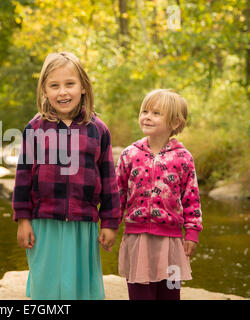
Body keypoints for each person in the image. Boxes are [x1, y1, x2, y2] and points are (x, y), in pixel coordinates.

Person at [12, 52, 121, 300]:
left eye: (69, 84)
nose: (63, 92)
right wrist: (23, 219)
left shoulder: (98, 129)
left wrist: (111, 222)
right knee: (47, 285)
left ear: (83, 87)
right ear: (45, 91)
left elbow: (109, 180)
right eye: (54, 86)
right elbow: (23, 177)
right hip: (44, 221)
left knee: (80, 287)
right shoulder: (35, 128)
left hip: (84, 222)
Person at [116, 89, 203, 300]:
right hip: (137, 240)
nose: (147, 116)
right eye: (144, 111)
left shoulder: (183, 158)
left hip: (171, 243)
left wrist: (192, 233)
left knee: (170, 294)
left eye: (155, 113)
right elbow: (118, 194)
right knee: (140, 294)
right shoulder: (129, 154)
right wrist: (110, 226)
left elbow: (191, 199)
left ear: (174, 122)